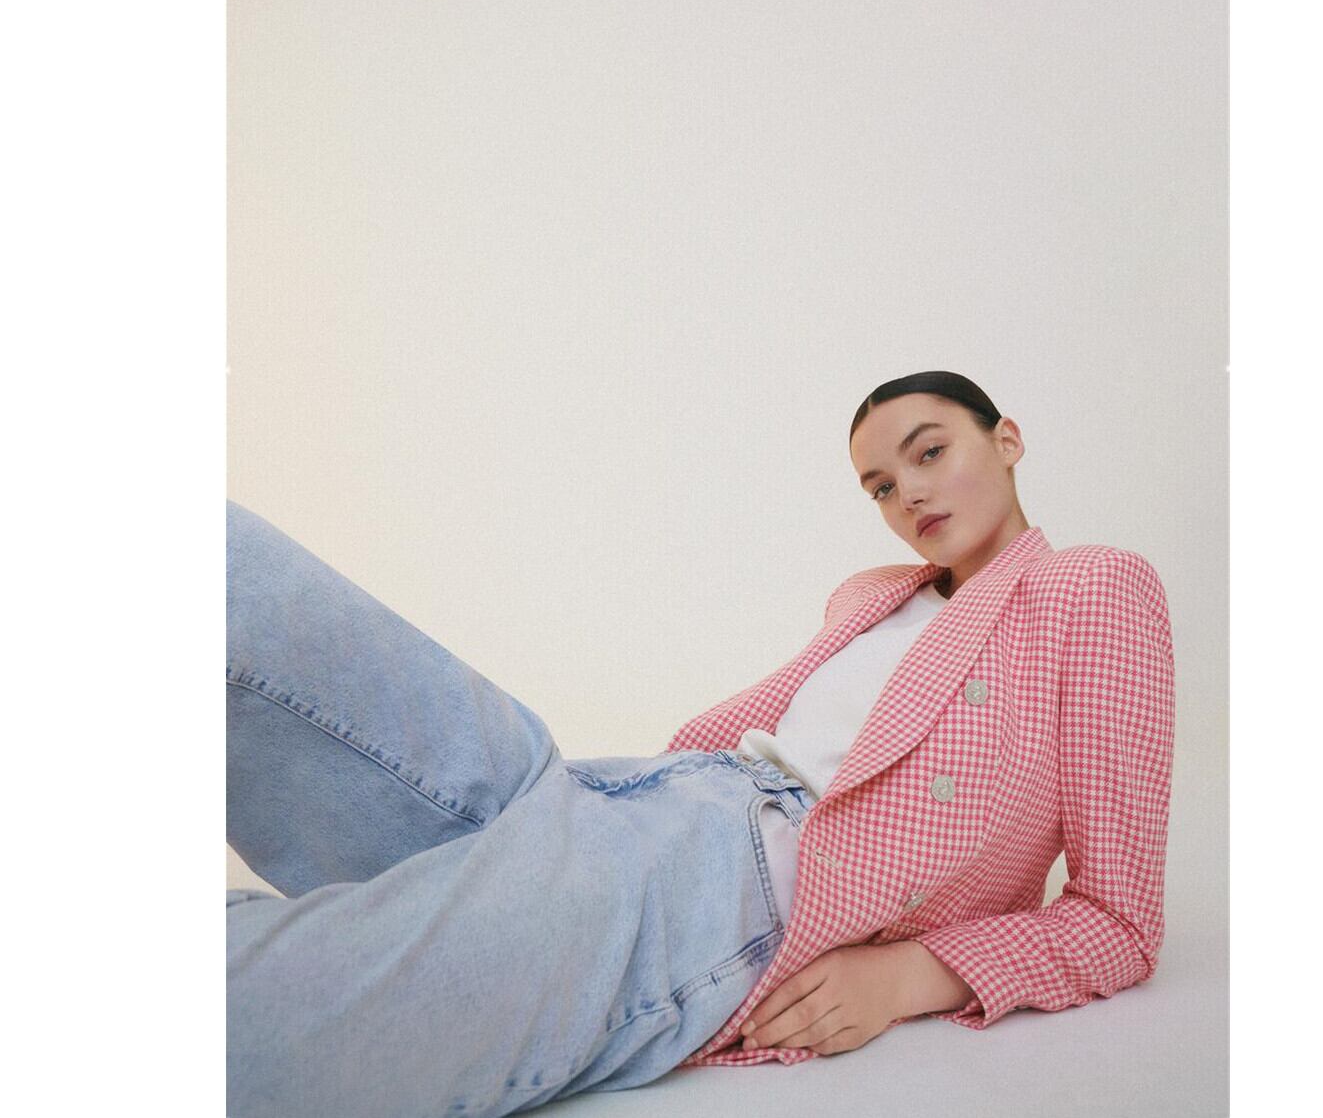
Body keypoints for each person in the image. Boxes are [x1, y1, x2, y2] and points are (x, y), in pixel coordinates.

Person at [227, 370, 1174, 1117]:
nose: (910, 494)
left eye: (930, 452)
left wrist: (907, 977)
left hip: (724, 891)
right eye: (882, 486)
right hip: (622, 796)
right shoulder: (871, 595)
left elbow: (1118, 920)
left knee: (256, 1025)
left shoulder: (1095, 587)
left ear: (1006, 440)